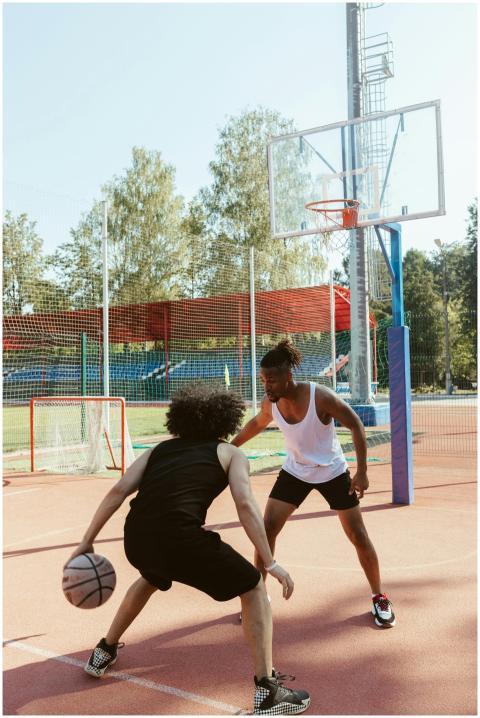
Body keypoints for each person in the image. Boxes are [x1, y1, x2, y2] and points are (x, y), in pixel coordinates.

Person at [66, 384, 311, 715]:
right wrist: (268, 561)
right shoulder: (230, 454)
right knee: (252, 586)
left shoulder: (159, 450)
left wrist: (87, 540)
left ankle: (104, 650)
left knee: (151, 576)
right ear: (226, 421)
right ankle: (267, 691)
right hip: (179, 537)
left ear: (179, 419)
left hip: (136, 538)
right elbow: (245, 505)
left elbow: (119, 490)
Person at [231, 339, 395, 628]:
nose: (266, 385)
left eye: (271, 380)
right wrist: (231, 447)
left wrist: (362, 471)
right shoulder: (271, 403)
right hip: (296, 471)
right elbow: (256, 423)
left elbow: (356, 423)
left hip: (332, 470)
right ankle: (258, 596)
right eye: (263, 380)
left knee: (357, 534)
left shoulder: (320, 397)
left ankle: (379, 596)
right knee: (267, 529)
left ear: (288, 376)